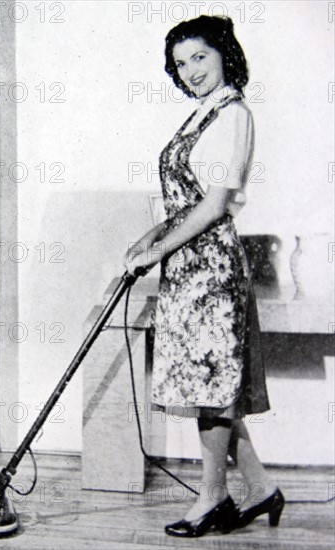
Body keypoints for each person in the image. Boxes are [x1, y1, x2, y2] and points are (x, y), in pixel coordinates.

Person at [123, 15, 284, 538]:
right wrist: (149, 238)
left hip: (211, 270)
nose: (190, 70)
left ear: (223, 54)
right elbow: (187, 201)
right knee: (210, 384)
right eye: (179, 63)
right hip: (187, 265)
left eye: (199, 57)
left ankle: (214, 499)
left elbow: (214, 206)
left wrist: (159, 249)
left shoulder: (232, 114)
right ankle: (261, 490)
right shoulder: (201, 116)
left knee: (211, 388)